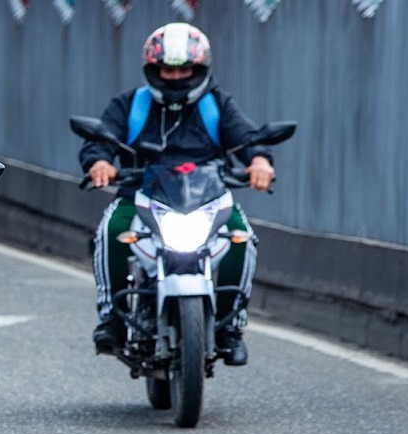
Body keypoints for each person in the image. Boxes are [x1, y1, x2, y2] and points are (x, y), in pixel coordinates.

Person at [79, 23, 275, 366]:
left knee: (243, 238)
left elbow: (248, 138)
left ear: (200, 69)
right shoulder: (131, 104)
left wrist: (259, 162)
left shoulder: (217, 104)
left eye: (184, 69)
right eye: (167, 69)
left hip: (208, 200)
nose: (175, 77)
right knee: (109, 232)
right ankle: (112, 316)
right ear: (153, 70)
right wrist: (99, 163)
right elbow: (99, 140)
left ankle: (231, 327)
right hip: (139, 196)